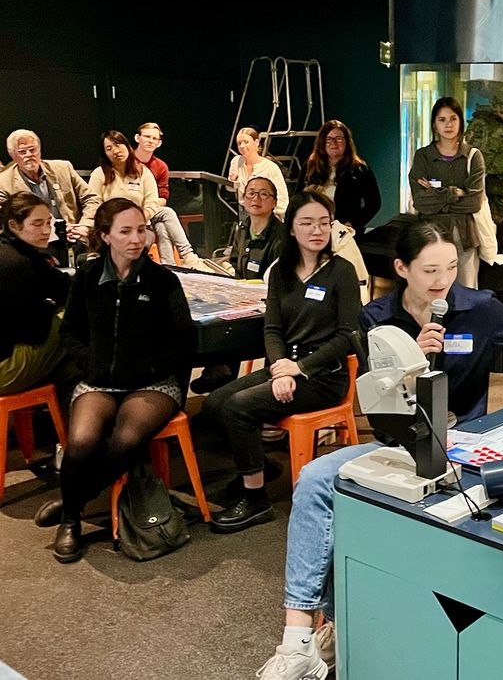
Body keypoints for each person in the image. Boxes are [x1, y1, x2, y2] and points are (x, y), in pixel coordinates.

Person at [253, 221, 503, 679]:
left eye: (449, 267)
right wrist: (413, 361)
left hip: (465, 446)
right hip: (398, 448)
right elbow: (377, 400)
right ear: (401, 268)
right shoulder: (377, 317)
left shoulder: (479, 308)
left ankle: (345, 623)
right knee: (315, 480)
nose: (442, 279)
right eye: (429, 270)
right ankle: (301, 639)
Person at [199, 191, 361, 534]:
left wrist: (299, 369)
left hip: (323, 376)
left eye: (324, 223)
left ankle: (255, 499)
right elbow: (272, 330)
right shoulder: (282, 272)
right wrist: (280, 367)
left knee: (239, 407)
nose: (317, 230)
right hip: (286, 367)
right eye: (307, 223)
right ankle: (258, 466)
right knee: (214, 404)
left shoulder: (341, 272)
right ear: (292, 229)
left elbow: (348, 336)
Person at [50, 198, 195, 563]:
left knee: (126, 439)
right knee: (80, 440)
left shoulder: (163, 279)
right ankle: (71, 520)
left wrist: (148, 368)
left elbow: (184, 338)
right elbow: (70, 332)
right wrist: (89, 363)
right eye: (126, 231)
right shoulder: (87, 275)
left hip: (153, 383)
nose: (137, 238)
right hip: (99, 380)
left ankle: (73, 504)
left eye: (141, 229)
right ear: (105, 235)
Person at [190, 176, 287, 395]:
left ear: (274, 202)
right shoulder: (242, 227)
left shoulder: (281, 236)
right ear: (243, 199)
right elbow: (236, 264)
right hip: (242, 297)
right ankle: (219, 371)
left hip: (267, 304)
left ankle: (222, 371)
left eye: (264, 194)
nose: (256, 198)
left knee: (231, 326)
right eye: (251, 193)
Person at [88, 130, 209, 270]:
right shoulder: (99, 174)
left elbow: (152, 202)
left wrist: (139, 219)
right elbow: (93, 204)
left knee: (166, 214)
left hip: (141, 225)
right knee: (161, 225)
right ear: (104, 154)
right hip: (112, 228)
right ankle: (170, 266)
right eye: (109, 148)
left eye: (118, 145)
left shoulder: (142, 172)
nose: (115, 150)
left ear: (127, 146)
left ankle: (185, 258)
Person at [0, 192, 78, 404]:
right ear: (14, 226)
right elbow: (32, 331)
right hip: (5, 369)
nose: (46, 231)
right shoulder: (19, 263)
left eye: (49, 222)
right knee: (73, 323)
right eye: (37, 224)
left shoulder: (16, 252)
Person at [408, 97, 485, 288]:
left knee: (466, 296)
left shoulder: (473, 156)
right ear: (434, 124)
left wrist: (436, 193)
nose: (448, 124)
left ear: (460, 122)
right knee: (431, 293)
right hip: (429, 238)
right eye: (442, 120)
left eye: (453, 119)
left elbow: (474, 202)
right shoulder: (423, 156)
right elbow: (421, 202)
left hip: (465, 238)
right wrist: (454, 192)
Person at [0, 129, 99, 267]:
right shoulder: (3, 182)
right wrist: (52, 230)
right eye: (22, 152)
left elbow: (92, 198)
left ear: (39, 151)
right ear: (13, 155)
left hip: (75, 237)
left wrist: (84, 225)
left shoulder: (63, 168)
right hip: (35, 245)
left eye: (32, 149)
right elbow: (8, 222)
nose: (29, 155)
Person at [302, 119, 381, 241]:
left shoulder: (360, 169)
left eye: (339, 138)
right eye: (329, 139)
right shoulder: (310, 166)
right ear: (322, 142)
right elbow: (298, 197)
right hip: (314, 229)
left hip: (345, 232)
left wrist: (353, 223)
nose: (334, 143)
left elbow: (374, 203)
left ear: (347, 142)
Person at [228, 127, 289, 221]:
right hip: (244, 213)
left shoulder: (270, 167)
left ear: (256, 142)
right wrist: (232, 181)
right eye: (239, 143)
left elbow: (282, 198)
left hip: (265, 213)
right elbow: (230, 188)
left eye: (246, 142)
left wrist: (274, 217)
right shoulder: (236, 162)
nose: (242, 146)